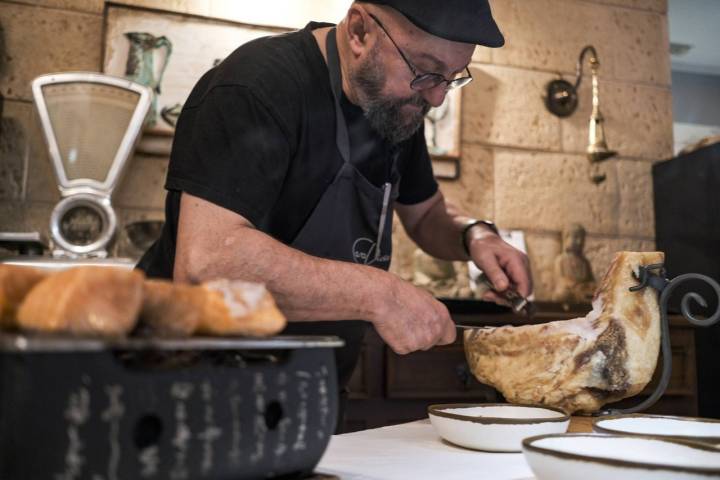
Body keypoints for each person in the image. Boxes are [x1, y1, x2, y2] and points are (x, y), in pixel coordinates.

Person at [137, 0, 532, 418]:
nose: (435, 98)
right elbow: (207, 264)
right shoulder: (256, 85)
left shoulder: (397, 106)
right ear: (361, 30)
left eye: (451, 79)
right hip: (189, 390)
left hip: (307, 395)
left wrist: (475, 235)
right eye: (425, 70)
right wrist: (377, 293)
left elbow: (426, 212)